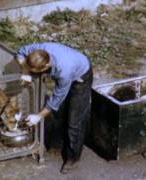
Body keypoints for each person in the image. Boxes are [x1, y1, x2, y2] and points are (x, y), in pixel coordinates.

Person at [16, 42, 93, 174]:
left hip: (81, 76)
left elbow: (55, 101)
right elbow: (20, 52)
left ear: (46, 65)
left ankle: (73, 158)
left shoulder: (64, 71)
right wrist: (25, 72)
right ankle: (56, 144)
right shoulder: (37, 50)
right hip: (65, 65)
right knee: (60, 113)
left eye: (37, 72)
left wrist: (38, 116)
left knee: (75, 120)